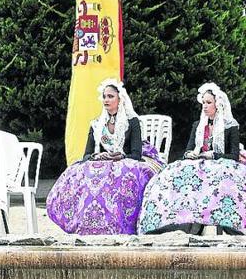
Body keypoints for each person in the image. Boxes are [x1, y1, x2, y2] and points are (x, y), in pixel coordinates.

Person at [46, 79, 161, 235]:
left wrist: (121, 156)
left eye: (110, 96)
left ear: (120, 99)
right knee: (79, 172)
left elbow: (136, 154)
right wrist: (98, 155)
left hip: (124, 161)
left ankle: (120, 224)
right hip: (101, 162)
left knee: (125, 174)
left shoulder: (132, 122)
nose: (106, 100)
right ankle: (85, 224)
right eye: (104, 96)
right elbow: (86, 155)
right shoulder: (97, 124)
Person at [138, 83, 246, 235]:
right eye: (203, 103)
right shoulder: (198, 125)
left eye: (209, 102)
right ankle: (175, 222)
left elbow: (233, 155)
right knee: (172, 174)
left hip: (221, 164)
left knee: (222, 178)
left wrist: (213, 155)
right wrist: (190, 154)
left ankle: (221, 223)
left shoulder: (230, 126)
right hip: (199, 163)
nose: (205, 106)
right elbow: (188, 149)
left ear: (218, 104)